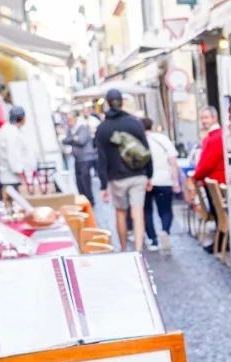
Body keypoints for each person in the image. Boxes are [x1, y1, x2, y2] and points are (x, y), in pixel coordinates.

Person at [94, 88, 153, 252]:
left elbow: (102, 158)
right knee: (137, 212)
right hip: (138, 174)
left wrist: (103, 185)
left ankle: (124, 248)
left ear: (107, 103)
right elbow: (146, 150)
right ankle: (139, 249)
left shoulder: (102, 129)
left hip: (116, 177)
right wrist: (150, 175)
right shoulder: (134, 123)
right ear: (121, 102)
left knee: (120, 212)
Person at [141, 117, 181, 252]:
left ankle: (153, 240)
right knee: (165, 210)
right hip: (164, 180)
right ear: (151, 126)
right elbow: (173, 161)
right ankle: (165, 230)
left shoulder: (139, 141)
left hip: (146, 181)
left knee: (147, 211)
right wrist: (175, 181)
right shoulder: (162, 139)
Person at [190, 106, 225, 253]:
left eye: (206, 117)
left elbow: (207, 162)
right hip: (214, 180)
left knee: (219, 213)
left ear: (214, 118)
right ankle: (220, 241)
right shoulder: (213, 136)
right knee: (218, 213)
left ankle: (221, 242)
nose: (204, 121)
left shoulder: (215, 137)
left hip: (216, 180)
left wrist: (196, 176)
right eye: (202, 118)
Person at [0, 105, 34, 194]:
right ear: (22, 118)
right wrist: (21, 173)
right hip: (11, 179)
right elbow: (13, 156)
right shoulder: (11, 132)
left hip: (10, 178)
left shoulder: (9, 130)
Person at [63, 110, 97, 205]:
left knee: (85, 180)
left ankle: (90, 201)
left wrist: (72, 139)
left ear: (75, 119)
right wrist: (74, 139)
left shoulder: (82, 127)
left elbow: (81, 141)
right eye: (67, 120)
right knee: (79, 181)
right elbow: (65, 140)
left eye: (70, 119)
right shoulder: (70, 130)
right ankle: (83, 201)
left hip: (86, 158)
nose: (68, 122)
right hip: (77, 158)